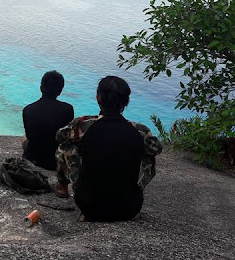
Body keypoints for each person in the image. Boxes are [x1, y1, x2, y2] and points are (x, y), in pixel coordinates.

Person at [55, 75, 162, 222]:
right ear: (126, 101)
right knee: (149, 156)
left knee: (65, 147)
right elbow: (157, 148)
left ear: (98, 98)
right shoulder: (140, 131)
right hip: (129, 208)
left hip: (88, 205)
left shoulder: (83, 125)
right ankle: (134, 190)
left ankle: (62, 186)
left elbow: (60, 136)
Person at [21, 71, 74, 171]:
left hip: (35, 158)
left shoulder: (28, 109)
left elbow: (29, 135)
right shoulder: (68, 109)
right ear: (60, 91)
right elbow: (66, 136)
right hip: (56, 159)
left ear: (41, 88)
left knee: (24, 137)